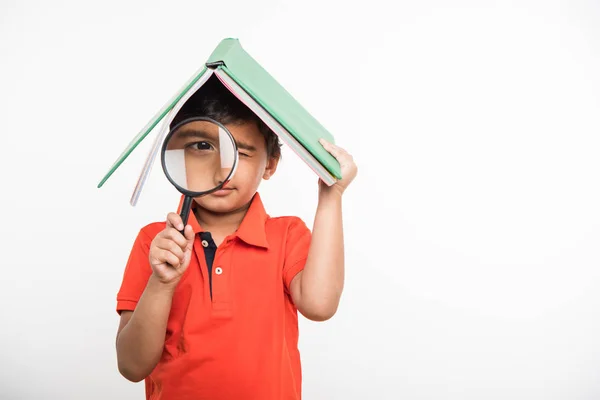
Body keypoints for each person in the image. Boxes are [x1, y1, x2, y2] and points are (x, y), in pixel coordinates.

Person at [115, 77, 357, 399]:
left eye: (241, 153)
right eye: (202, 146)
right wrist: (162, 283)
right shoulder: (155, 243)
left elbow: (320, 305)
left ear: (269, 164)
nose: (221, 171)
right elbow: (132, 366)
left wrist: (331, 197)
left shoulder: (286, 236)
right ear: (177, 154)